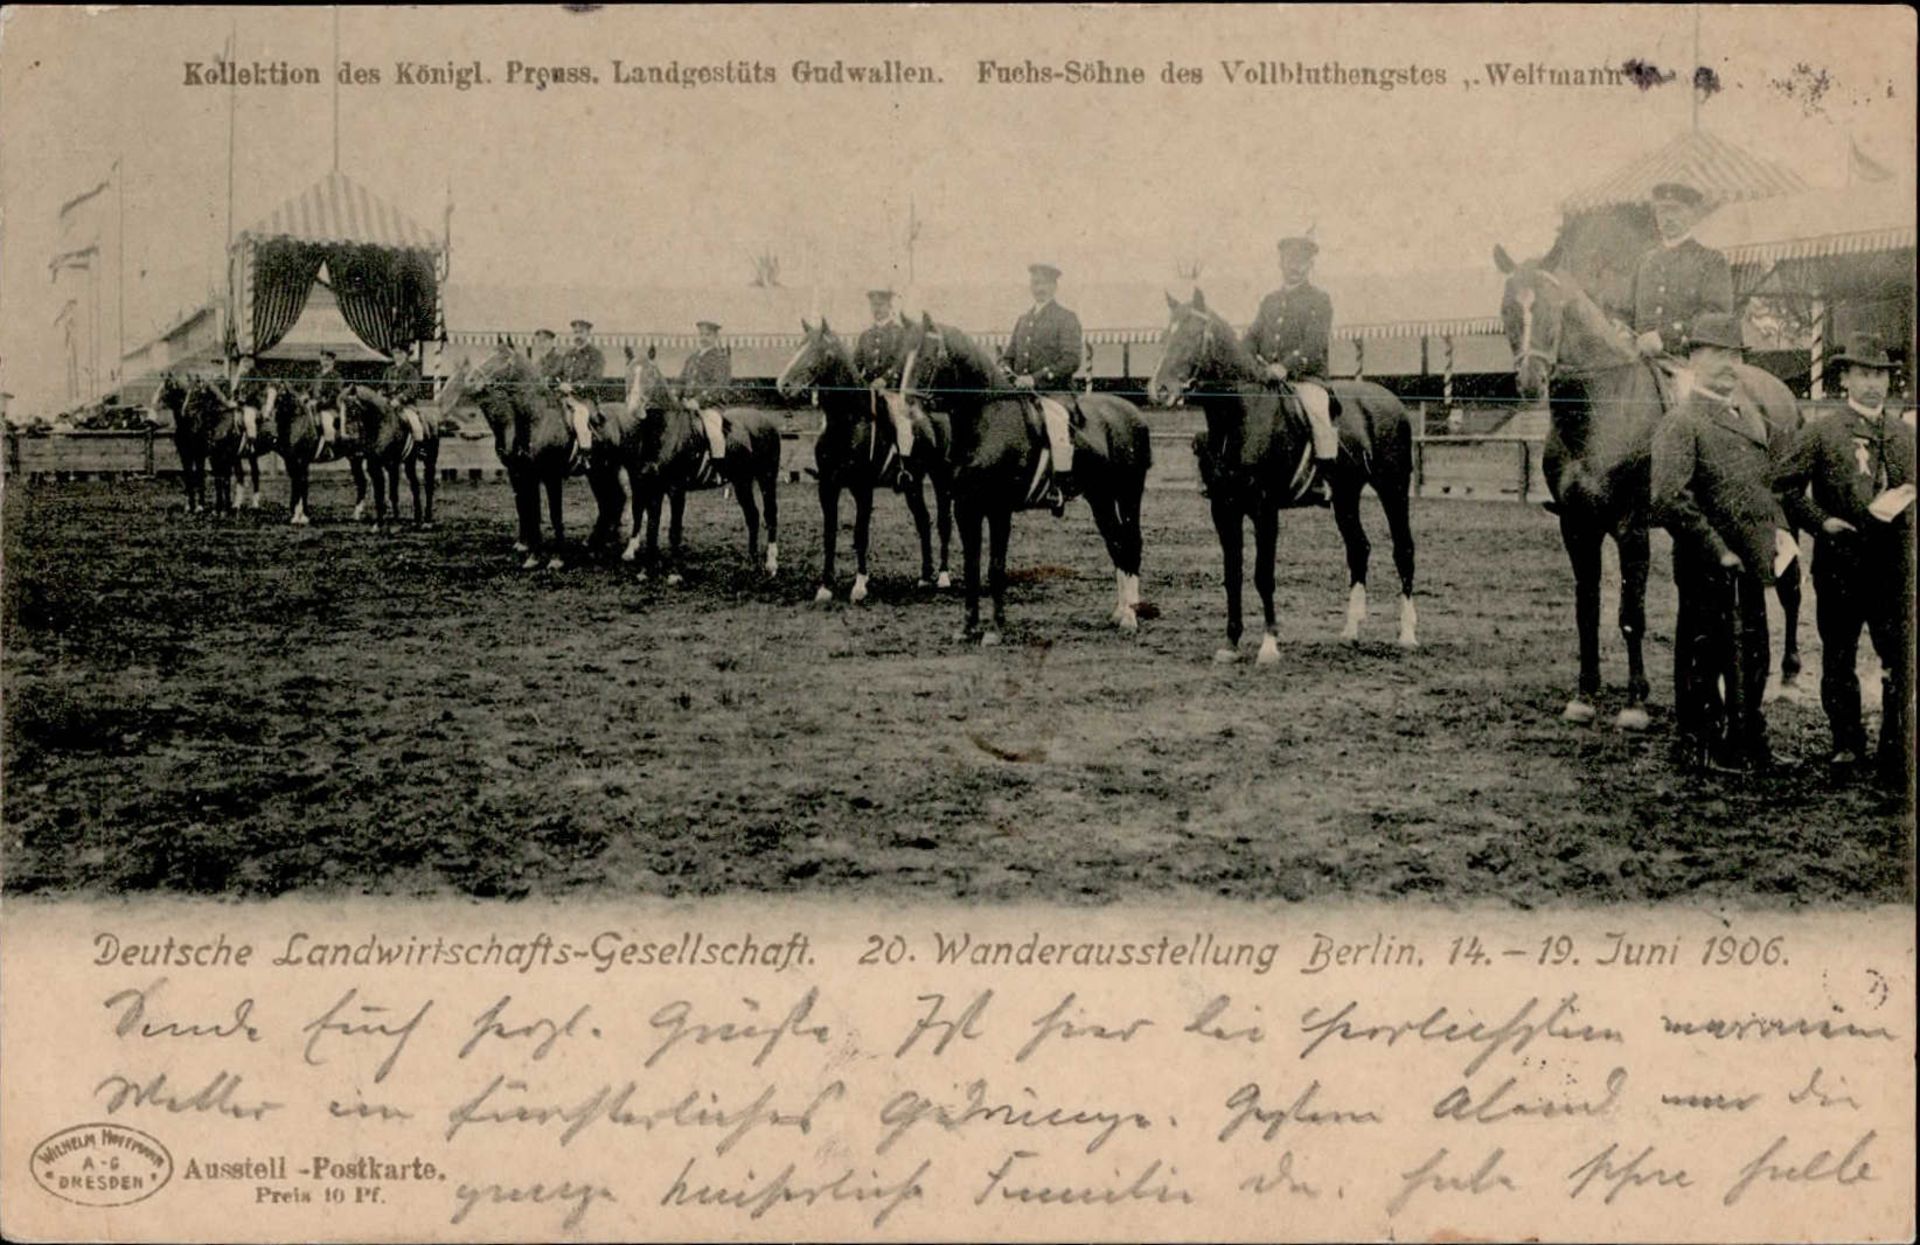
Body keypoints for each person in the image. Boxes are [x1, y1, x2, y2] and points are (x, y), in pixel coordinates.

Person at [1650, 313, 1795, 772]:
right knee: (1703, 652)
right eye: (1719, 354)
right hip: (1707, 561)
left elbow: (1765, 482)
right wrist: (1718, 549)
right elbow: (1670, 499)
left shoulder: (1748, 415)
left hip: (1752, 558)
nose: (1731, 364)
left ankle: (1748, 738)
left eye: (1735, 355)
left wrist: (1779, 533)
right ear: (1695, 357)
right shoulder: (1682, 421)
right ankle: (1698, 741)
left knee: (1754, 650)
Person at [1775, 333, 1914, 790]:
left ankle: (1894, 746)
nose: (1873, 384)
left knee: (1899, 656)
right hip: (1840, 564)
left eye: (1880, 376)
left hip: (1894, 568)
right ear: (1845, 378)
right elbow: (1785, 488)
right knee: (1839, 656)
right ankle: (1846, 741)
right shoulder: (1821, 431)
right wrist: (1821, 522)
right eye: (1863, 374)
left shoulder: (1905, 436)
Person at [1246, 232, 1338, 504]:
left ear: (1310, 265)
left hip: (1306, 378)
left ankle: (1323, 477)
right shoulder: (1269, 300)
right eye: (1289, 260)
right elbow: (1253, 335)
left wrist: (1285, 367)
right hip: (1268, 379)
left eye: (1300, 261)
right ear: (1280, 263)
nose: (1294, 266)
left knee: (1316, 408)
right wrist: (1245, 356)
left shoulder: (1319, 300)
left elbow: (1314, 343)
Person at [1003, 263, 1084, 514]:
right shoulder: (1023, 320)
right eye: (1035, 283)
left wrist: (1036, 379)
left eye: (1044, 283)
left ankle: (1060, 484)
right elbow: (1009, 356)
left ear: (1054, 286)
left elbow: (1071, 359)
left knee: (1056, 421)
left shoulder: (1066, 318)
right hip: (1021, 392)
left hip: (1054, 391)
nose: (1039, 288)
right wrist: (1005, 370)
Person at [1631, 181, 1734, 360]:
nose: (1668, 218)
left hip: (1689, 357)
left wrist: (1665, 336)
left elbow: (1715, 316)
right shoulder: (1645, 262)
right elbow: (1628, 310)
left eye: (1676, 210)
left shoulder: (1711, 260)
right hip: (1642, 358)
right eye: (1662, 211)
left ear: (1692, 214)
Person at [681, 320, 733, 462]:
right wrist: (677, 398)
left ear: (716, 337)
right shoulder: (692, 359)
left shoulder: (721, 359)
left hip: (709, 407)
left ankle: (719, 469)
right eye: (701, 334)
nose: (703, 338)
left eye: (708, 335)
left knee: (714, 434)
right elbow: (681, 382)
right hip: (686, 406)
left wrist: (698, 401)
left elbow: (718, 386)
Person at [854, 288, 909, 388]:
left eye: (880, 305)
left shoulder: (900, 333)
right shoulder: (865, 336)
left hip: (893, 389)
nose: (876, 309)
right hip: (869, 390)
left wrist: (885, 379)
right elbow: (856, 365)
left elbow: (901, 362)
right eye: (873, 305)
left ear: (889, 306)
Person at [310, 348, 344, 458]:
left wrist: (320, 403)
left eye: (328, 360)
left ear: (333, 361)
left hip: (330, 408)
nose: (325, 362)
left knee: (327, 423)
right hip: (315, 407)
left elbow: (335, 395)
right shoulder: (318, 376)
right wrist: (305, 397)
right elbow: (311, 390)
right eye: (323, 359)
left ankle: (329, 448)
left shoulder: (336, 377)